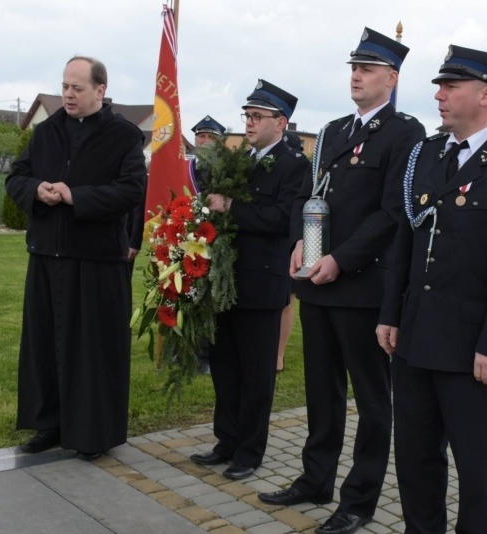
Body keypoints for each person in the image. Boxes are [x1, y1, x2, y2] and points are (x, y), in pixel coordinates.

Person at [375, 45, 487, 534]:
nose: (439, 95)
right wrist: (390, 314)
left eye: (450, 86)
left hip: (470, 348)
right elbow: (405, 244)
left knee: (475, 467)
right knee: (414, 459)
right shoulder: (429, 155)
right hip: (413, 340)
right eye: (439, 86)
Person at [259, 28, 425, 534]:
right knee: (321, 392)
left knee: (373, 403)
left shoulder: (405, 134)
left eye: (368, 68)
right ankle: (316, 478)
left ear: (391, 78)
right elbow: (309, 197)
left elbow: (391, 214)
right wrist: (298, 245)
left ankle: (359, 500)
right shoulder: (332, 131)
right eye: (354, 67)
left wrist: (342, 260)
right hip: (318, 282)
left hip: (362, 288)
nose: (356, 75)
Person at [5, 55, 146, 460]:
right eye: (65, 86)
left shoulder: (123, 136)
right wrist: (35, 190)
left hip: (97, 262)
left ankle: (93, 435)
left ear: (100, 91)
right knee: (44, 346)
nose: (67, 93)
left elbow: (132, 190)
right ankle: (48, 425)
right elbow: (16, 176)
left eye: (76, 88)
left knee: (92, 352)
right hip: (47, 256)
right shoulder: (46, 131)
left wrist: (76, 196)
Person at [188, 80, 309, 480]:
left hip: (262, 282)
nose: (250, 123)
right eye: (247, 116)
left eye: (258, 117)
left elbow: (280, 220)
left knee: (256, 374)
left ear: (282, 122)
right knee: (224, 366)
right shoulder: (241, 160)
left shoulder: (295, 166)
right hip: (225, 280)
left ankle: (250, 451)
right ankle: (226, 439)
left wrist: (231, 206)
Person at [189, 115, 226, 375]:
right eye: (201, 136)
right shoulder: (184, 168)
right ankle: (184, 352)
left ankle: (207, 355)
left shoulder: (224, 170)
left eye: (210, 137)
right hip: (185, 241)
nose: (204, 141)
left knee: (209, 302)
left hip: (214, 241)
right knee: (184, 299)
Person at [277, 130, 304, 372]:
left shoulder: (300, 169)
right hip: (276, 243)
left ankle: (280, 354)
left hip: (291, 240)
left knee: (288, 302)